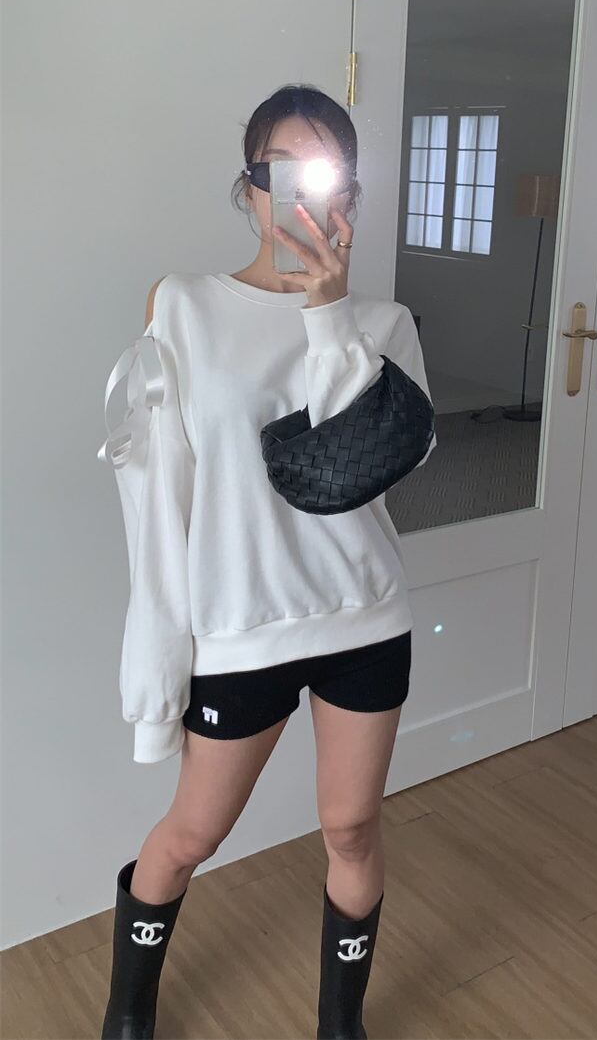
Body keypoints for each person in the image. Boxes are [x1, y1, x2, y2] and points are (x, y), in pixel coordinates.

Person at [99, 83, 437, 1040]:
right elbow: (160, 489)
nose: (298, 194)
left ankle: (341, 1025)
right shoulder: (184, 306)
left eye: (323, 174)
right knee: (190, 835)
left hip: (364, 616)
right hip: (242, 626)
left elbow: (365, 468)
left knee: (352, 828)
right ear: (248, 187)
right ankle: (129, 1009)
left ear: (352, 194)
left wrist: (328, 314)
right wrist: (161, 650)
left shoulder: (385, 323)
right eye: (276, 171)